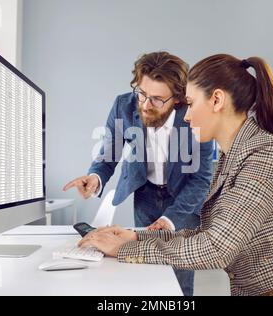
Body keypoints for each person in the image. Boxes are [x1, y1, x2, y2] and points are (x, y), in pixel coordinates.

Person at [77, 54, 273, 296]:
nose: (187, 116)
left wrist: (126, 250)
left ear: (216, 100)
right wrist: (136, 236)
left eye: (190, 104)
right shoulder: (233, 155)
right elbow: (208, 234)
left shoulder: (263, 156)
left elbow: (215, 249)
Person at [63, 52, 214, 296]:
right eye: (141, 93)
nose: (145, 105)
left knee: (179, 275)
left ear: (176, 99)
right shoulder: (123, 105)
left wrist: (170, 219)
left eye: (156, 99)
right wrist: (95, 178)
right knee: (143, 266)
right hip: (144, 194)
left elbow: (201, 178)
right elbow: (109, 153)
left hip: (183, 199)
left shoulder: (195, 116)